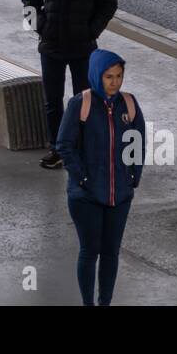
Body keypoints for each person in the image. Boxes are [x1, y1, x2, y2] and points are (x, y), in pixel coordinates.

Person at [22, 0, 118, 170]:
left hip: (83, 48)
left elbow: (108, 2)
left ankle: (84, 148)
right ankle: (58, 148)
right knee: (52, 101)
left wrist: (91, 31)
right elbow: (29, 3)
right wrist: (42, 28)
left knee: (85, 100)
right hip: (51, 48)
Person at [54, 49, 145, 306]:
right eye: (108, 77)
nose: (114, 82)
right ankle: (88, 304)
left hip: (120, 196)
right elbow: (64, 146)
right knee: (89, 252)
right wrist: (83, 180)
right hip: (86, 197)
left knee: (111, 254)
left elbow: (138, 144)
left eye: (119, 76)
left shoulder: (129, 104)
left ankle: (105, 302)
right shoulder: (79, 104)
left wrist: (132, 178)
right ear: (97, 76)